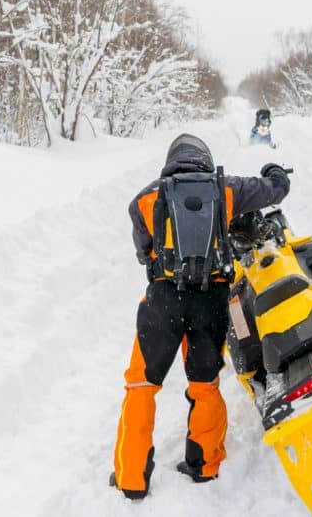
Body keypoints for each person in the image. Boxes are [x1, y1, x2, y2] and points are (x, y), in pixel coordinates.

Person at [111, 134, 291, 500]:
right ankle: (204, 464)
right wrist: (275, 173)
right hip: (211, 298)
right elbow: (275, 190)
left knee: (141, 385)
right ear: (204, 160)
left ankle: (131, 476)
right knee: (205, 384)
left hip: (163, 298)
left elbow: (145, 253)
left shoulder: (145, 198)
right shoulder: (227, 188)